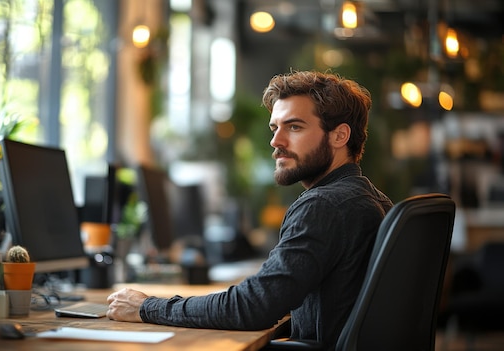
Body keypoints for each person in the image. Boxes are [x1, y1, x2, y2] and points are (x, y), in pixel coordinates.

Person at [106, 70, 393, 348]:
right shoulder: (374, 200)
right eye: (275, 128)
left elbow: (253, 307)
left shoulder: (324, 206)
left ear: (339, 136)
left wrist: (147, 307)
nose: (276, 141)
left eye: (294, 127)